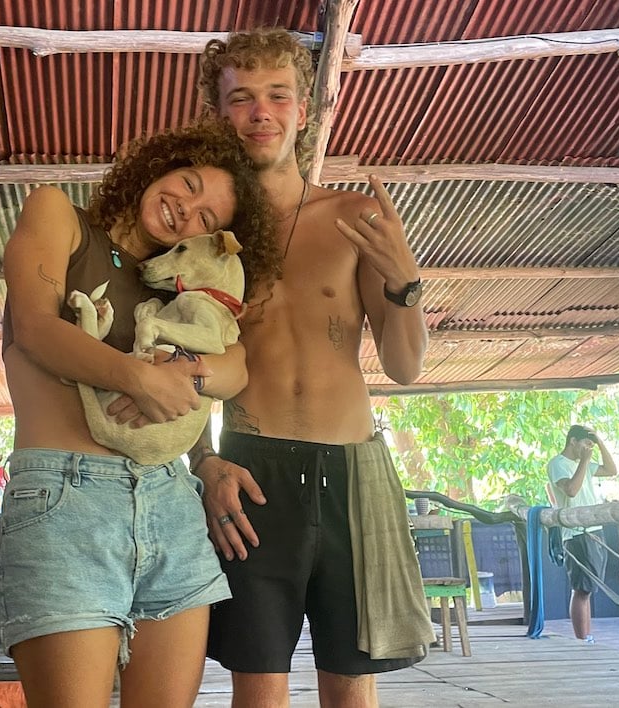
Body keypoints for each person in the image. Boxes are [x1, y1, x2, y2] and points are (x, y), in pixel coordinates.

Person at [186, 28, 435, 707]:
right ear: (220, 115)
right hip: (249, 471)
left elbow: (406, 365)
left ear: (303, 111)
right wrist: (203, 463)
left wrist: (404, 276)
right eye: (241, 98)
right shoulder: (203, 236)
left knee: (351, 685)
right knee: (259, 686)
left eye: (277, 95)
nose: (260, 112)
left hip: (352, 473)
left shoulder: (355, 219)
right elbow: (173, 368)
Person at [0, 119, 278, 707]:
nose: (187, 210)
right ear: (159, 166)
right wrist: (137, 376)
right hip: (64, 498)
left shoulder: (179, 293)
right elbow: (37, 328)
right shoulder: (60, 216)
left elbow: (238, 366)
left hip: (169, 501)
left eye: (208, 220)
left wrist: (190, 374)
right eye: (188, 182)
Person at [547, 423, 618, 642]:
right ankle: (582, 638)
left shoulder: (583, 463)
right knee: (582, 588)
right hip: (576, 533)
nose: (587, 450)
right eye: (585, 445)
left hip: (594, 528)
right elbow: (571, 489)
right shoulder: (558, 464)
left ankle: (587, 636)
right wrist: (585, 461)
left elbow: (611, 470)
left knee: (590, 587)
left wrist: (600, 441)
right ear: (573, 442)